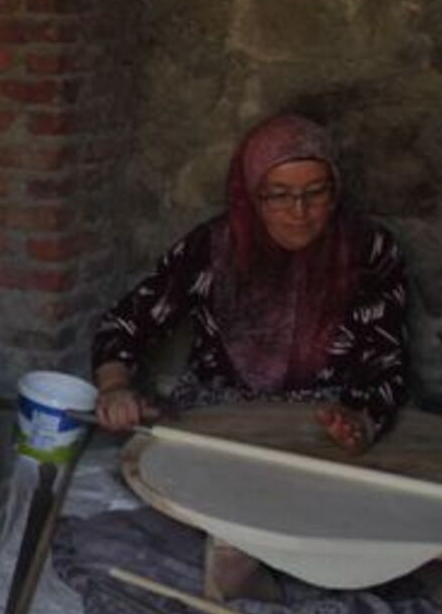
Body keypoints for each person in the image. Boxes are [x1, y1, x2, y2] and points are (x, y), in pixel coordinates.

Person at [91, 113, 408, 454]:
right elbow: (123, 326)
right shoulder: (213, 248)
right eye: (279, 195)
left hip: (321, 427)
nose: (299, 211)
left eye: (316, 192)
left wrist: (362, 422)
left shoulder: (368, 249)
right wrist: (114, 388)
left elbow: (386, 360)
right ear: (251, 195)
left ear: (336, 191)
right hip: (216, 420)